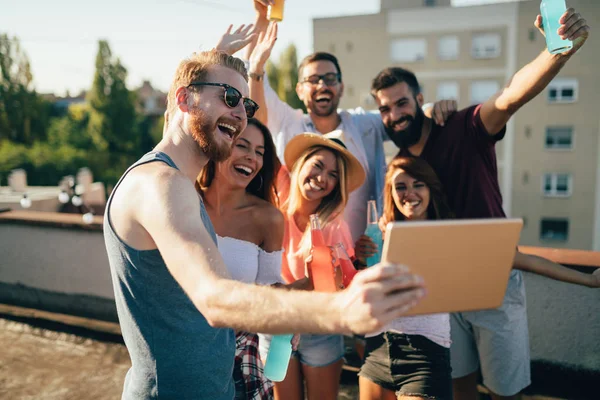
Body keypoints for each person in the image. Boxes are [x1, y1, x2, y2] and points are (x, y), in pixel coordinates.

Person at [103, 46, 426, 399]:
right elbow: (214, 299)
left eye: (246, 105)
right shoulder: (163, 184)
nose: (241, 114)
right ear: (183, 99)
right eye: (229, 97)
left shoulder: (173, 183)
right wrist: (340, 309)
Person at [368, 8, 590, 400]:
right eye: (385, 108)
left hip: (494, 280)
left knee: (507, 390)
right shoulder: (400, 168)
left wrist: (557, 52)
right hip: (442, 293)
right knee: (458, 386)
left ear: (419, 99)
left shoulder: (462, 126)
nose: (394, 114)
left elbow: (508, 98)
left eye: (401, 103)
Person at [245, 0, 457, 243]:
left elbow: (402, 117)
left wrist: (433, 109)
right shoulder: (287, 122)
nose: (323, 85)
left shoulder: (363, 124)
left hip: (362, 258)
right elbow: (253, 76)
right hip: (297, 255)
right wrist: (262, 18)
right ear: (300, 90)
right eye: (313, 79)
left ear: (341, 87)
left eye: (330, 78)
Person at [260, 130, 365, 400]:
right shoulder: (273, 209)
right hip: (277, 323)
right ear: (299, 166)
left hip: (319, 329)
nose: (322, 178)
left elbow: (341, 287)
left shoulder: (333, 227)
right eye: (318, 165)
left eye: (333, 175)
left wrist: (343, 276)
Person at [197, 117, 284, 399]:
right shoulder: (185, 200)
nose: (251, 157)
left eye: (260, 152)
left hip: (238, 361)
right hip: (181, 351)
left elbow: (269, 292)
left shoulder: (268, 218)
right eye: (242, 145)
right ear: (219, 146)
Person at [357, 156, 454, 400]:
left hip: (425, 355)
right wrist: (359, 261)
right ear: (391, 193)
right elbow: (366, 293)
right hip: (377, 349)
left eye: (418, 184)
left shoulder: (450, 232)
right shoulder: (381, 233)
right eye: (400, 187)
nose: (409, 193)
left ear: (430, 188)